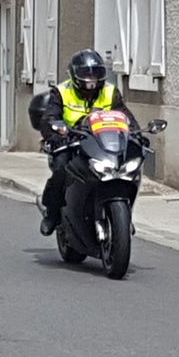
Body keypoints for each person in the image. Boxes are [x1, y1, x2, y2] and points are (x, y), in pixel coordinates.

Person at [38, 49, 138, 235]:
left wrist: (136, 133)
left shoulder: (110, 92)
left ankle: (124, 216)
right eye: (86, 74)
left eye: (95, 73)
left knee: (128, 166)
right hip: (72, 141)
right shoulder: (61, 91)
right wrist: (56, 133)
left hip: (101, 142)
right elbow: (50, 117)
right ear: (75, 74)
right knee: (60, 168)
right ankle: (52, 213)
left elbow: (124, 114)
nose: (91, 79)